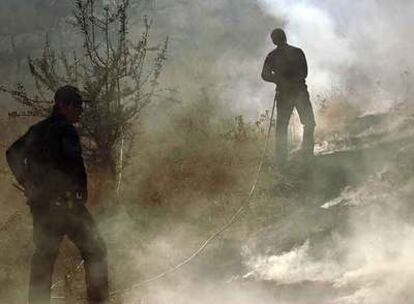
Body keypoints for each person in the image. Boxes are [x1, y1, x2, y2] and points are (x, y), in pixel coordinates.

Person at [6, 85, 109, 304]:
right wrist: (79, 195)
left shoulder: (38, 130)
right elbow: (73, 167)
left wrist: (28, 183)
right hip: (67, 207)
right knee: (96, 250)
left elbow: (12, 153)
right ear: (62, 105)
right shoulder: (65, 130)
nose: (80, 110)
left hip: (42, 207)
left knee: (44, 257)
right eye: (76, 105)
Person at [261, 28, 316, 167]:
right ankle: (307, 154)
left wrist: (279, 80)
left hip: (284, 94)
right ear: (285, 37)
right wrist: (290, 80)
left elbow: (264, 75)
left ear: (274, 40)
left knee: (281, 127)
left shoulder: (272, 56)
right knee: (309, 122)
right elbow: (304, 73)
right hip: (299, 92)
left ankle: (281, 161)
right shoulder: (297, 52)